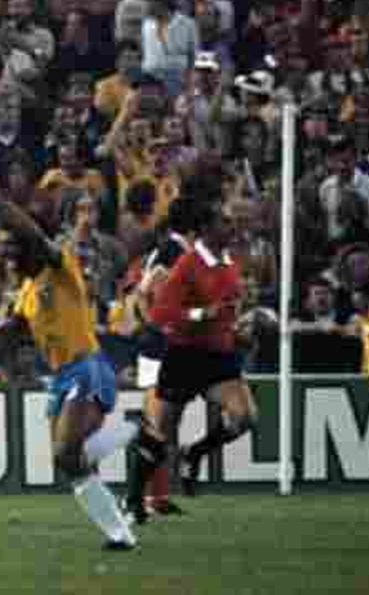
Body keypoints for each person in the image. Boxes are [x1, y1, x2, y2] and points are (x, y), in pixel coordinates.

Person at [0, 183, 137, 551]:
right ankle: (120, 531)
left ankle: (129, 434)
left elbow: (32, 233)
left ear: (30, 249)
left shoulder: (63, 267)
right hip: (62, 376)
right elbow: (16, 330)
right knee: (70, 462)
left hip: (87, 366)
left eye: (16, 252)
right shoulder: (29, 291)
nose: (11, 260)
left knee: (66, 452)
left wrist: (1, 204)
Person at [127, 171, 257, 521]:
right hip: (174, 350)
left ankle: (182, 467)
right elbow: (154, 303)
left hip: (213, 353)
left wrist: (235, 327)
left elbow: (222, 306)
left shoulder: (224, 259)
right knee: (161, 431)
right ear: (202, 226)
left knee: (239, 418)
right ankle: (139, 498)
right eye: (224, 221)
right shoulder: (180, 256)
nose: (231, 227)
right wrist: (197, 315)